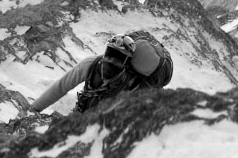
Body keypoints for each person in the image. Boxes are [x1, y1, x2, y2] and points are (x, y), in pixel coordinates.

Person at [30, 32, 173, 113]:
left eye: (117, 59)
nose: (111, 61)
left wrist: (34, 109)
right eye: (110, 55)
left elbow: (61, 87)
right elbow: (61, 87)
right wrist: (34, 109)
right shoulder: (90, 65)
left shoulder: (133, 85)